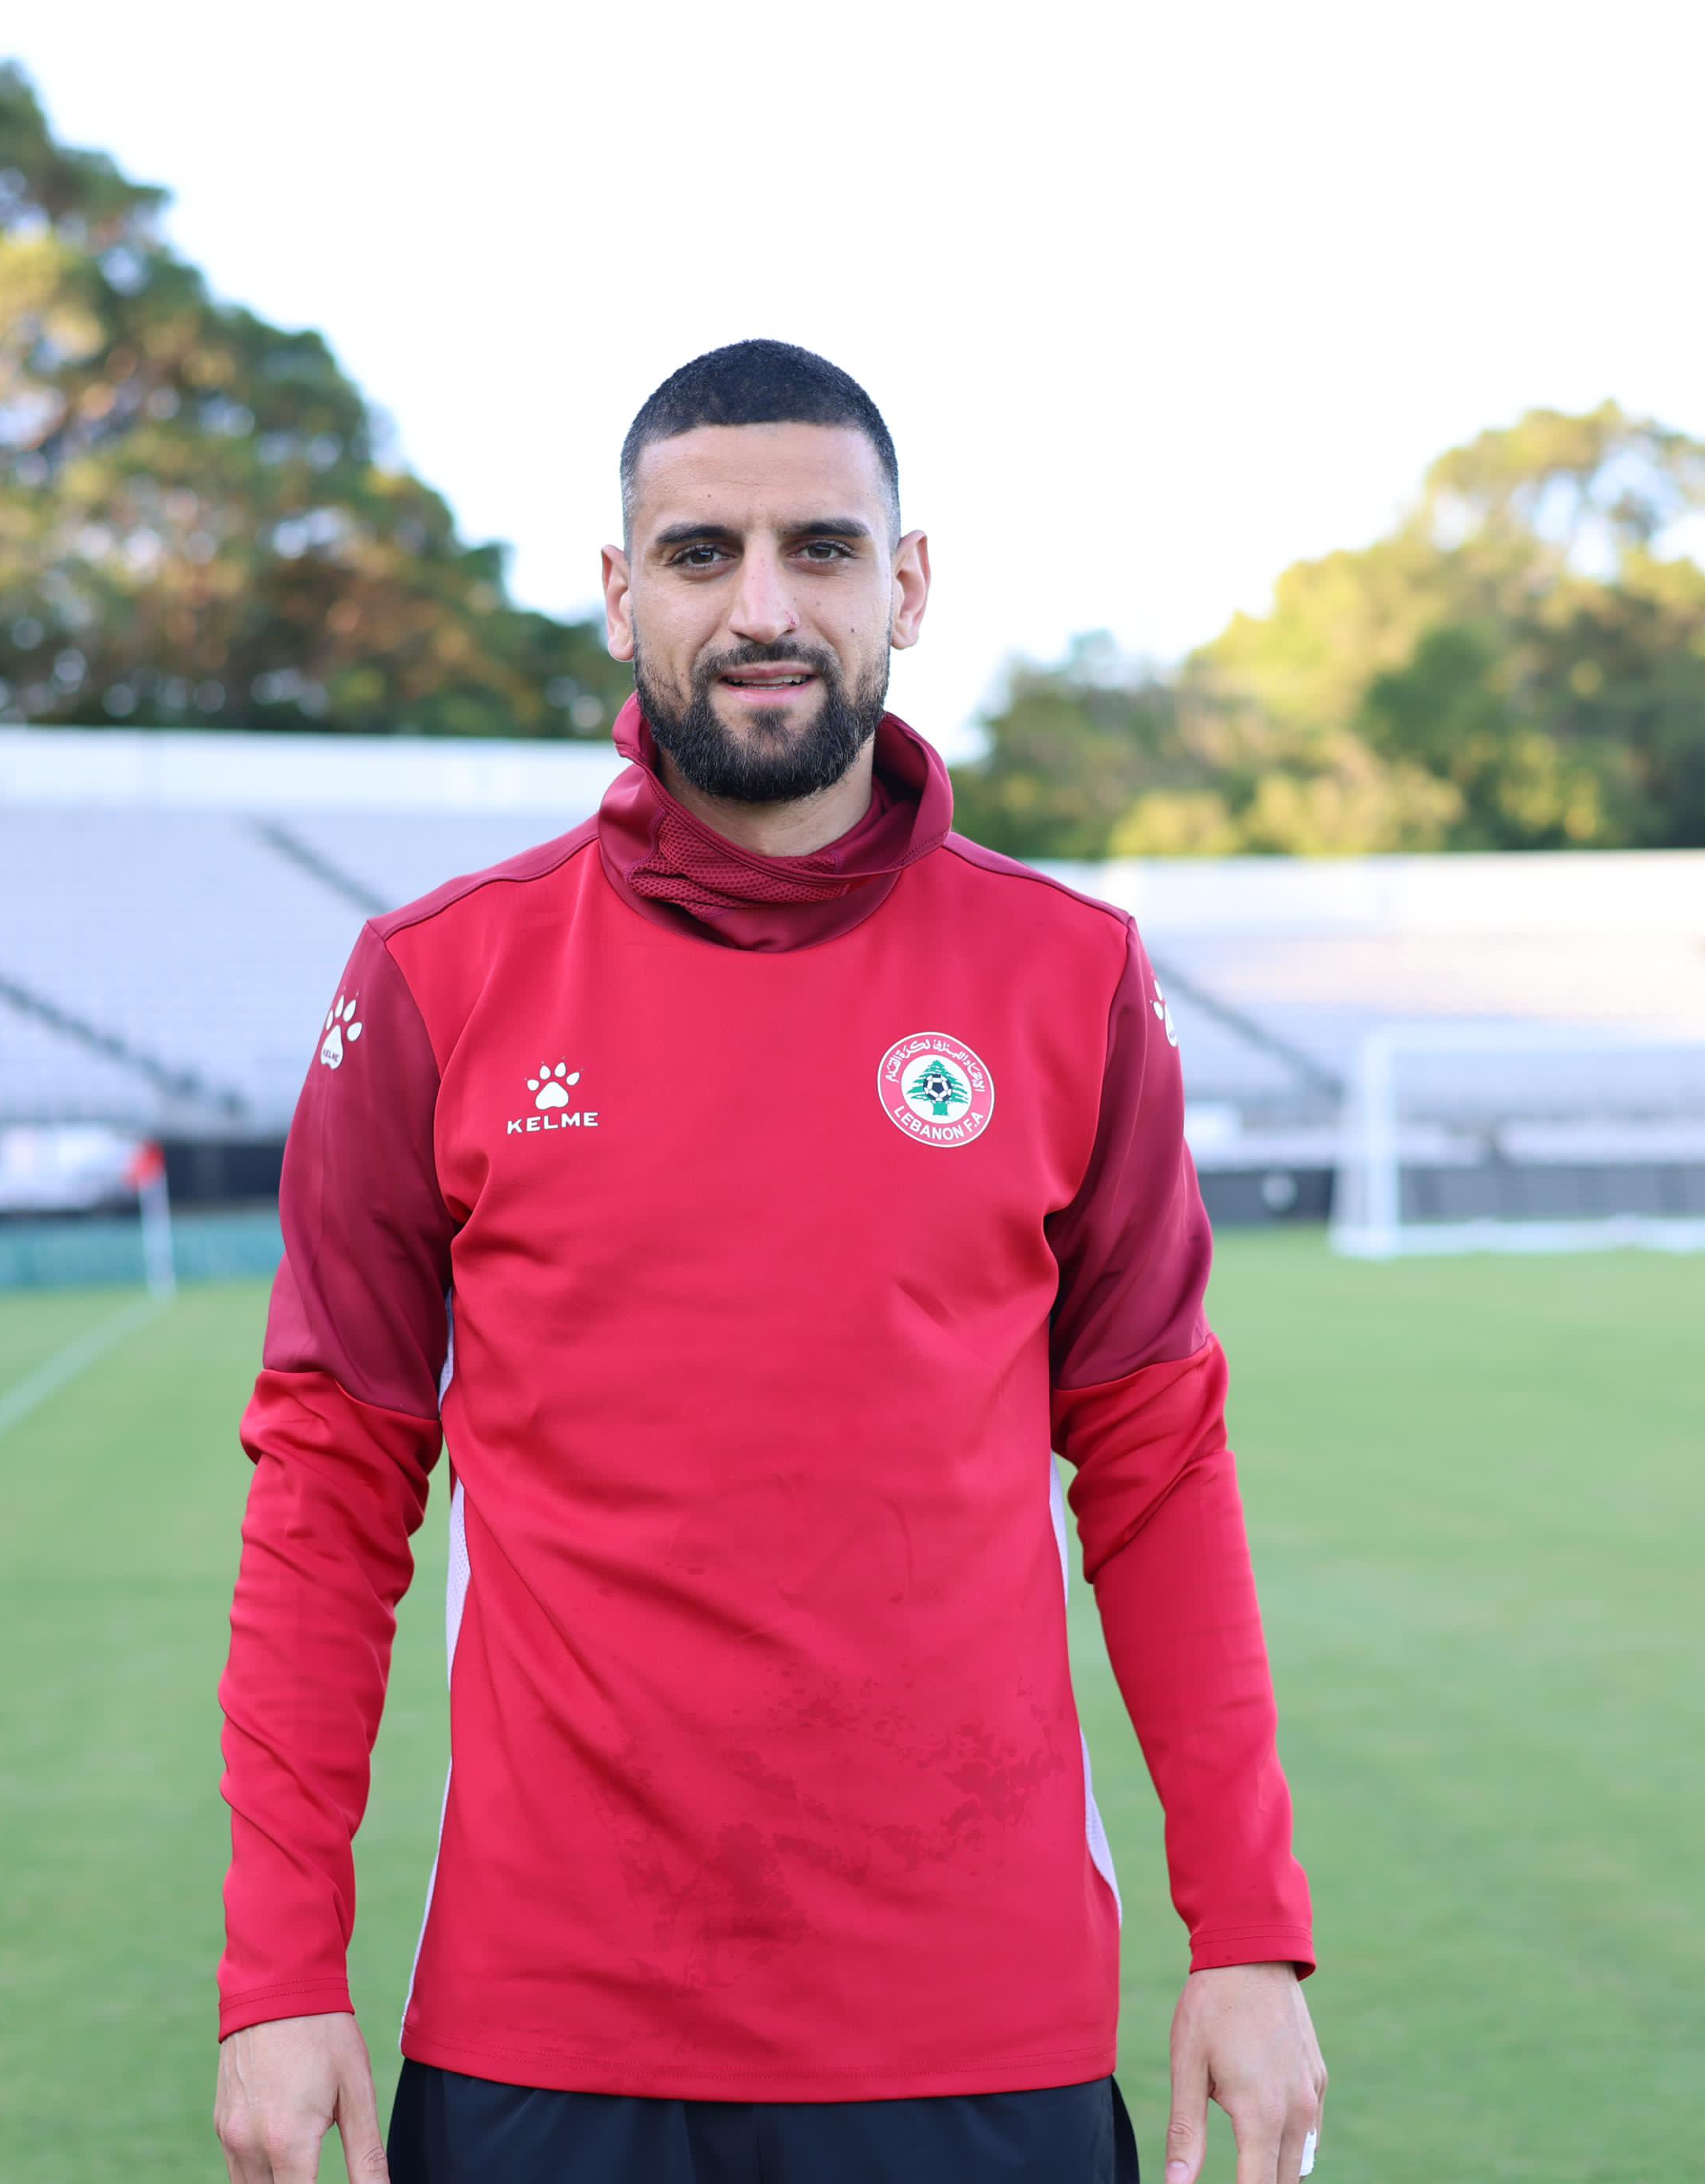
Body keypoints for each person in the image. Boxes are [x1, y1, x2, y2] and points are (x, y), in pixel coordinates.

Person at [215, 342, 1325, 2184]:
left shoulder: (1069, 980)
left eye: (819, 548)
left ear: (907, 582)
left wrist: (1248, 1928)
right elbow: (329, 1486)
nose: (761, 608)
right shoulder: (439, 981)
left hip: (977, 2027)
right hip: (551, 2030)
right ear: (617, 591)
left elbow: (1158, 1464)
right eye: (699, 553)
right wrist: (277, 1969)